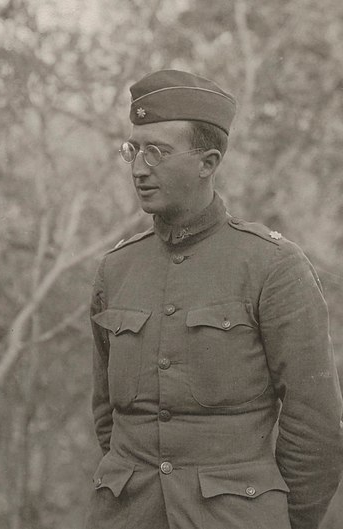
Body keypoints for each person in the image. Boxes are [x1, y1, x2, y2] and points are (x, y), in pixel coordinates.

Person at [87, 69, 343, 529]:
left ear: (208, 162)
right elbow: (108, 413)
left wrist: (279, 520)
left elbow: (316, 426)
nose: (139, 168)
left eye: (157, 152)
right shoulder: (116, 269)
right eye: (133, 149)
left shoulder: (273, 266)